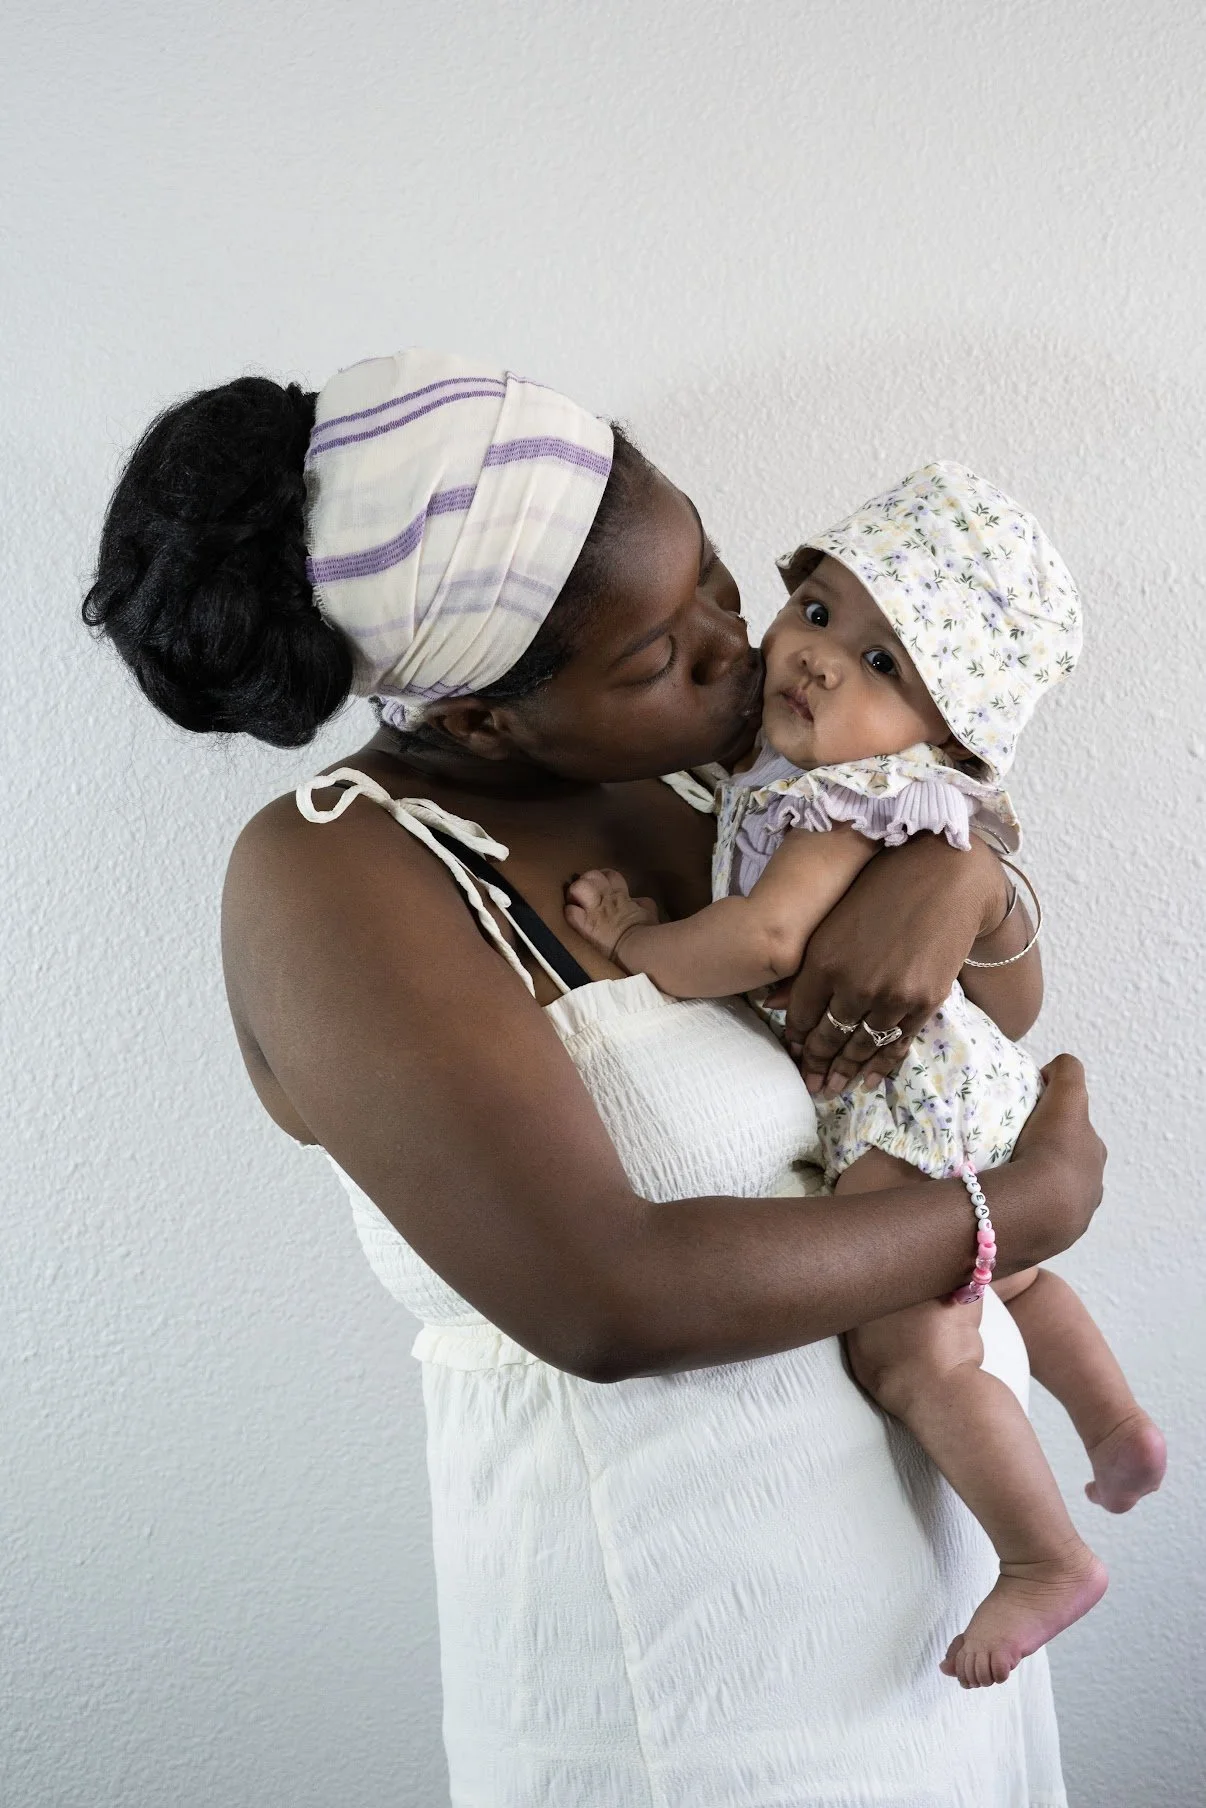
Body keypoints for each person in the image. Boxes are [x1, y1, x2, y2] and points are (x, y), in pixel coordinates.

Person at [82, 349, 1106, 1806]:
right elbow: (606, 1296)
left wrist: (967, 880)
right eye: (658, 656)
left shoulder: (718, 770)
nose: (737, 650)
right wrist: (1017, 1210)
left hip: (942, 1613)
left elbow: (971, 1017)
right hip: (687, 1685)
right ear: (480, 718)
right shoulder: (333, 876)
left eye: (712, 579)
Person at [566, 461, 1166, 1690]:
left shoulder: (835, 800)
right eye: (827, 611)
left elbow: (768, 941)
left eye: (890, 664)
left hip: (899, 1100)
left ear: (947, 729)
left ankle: (1046, 1555)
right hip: (961, 1090)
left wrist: (634, 942)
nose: (825, 659)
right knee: (1022, 1279)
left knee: (913, 1355)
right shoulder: (852, 781)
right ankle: (1116, 1424)